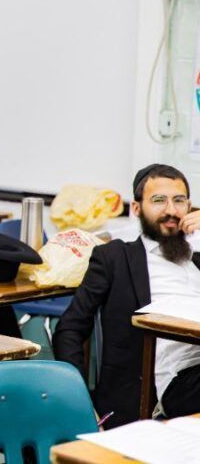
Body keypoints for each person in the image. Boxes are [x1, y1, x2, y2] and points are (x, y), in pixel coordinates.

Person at [54, 164, 200, 428]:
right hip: (167, 384)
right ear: (136, 208)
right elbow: (70, 328)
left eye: (179, 201)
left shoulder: (197, 258)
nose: (171, 210)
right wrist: (79, 400)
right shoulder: (115, 257)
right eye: (159, 200)